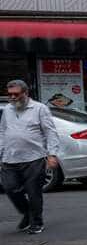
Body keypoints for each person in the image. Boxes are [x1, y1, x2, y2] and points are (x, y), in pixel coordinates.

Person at [0, 79, 61, 235]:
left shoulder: (40, 109)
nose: (12, 97)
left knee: (33, 191)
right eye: (10, 94)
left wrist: (52, 154)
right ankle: (27, 212)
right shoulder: (7, 109)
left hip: (34, 158)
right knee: (9, 187)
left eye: (16, 94)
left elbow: (50, 132)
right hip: (10, 158)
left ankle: (36, 222)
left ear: (25, 93)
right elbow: (3, 132)